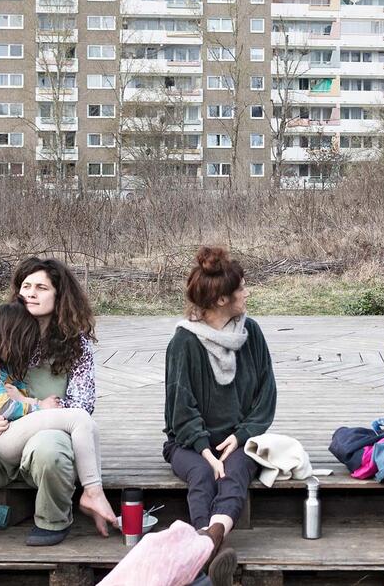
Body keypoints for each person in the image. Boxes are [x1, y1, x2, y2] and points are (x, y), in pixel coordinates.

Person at [0, 257, 114, 547]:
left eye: (41, 287)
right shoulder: (1, 334)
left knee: (51, 446)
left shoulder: (76, 345)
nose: (31, 293)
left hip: (41, 447)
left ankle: (53, 519)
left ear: (59, 295)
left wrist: (29, 403)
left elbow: (82, 407)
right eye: (26, 286)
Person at [163, 246, 276, 586]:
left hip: (239, 438)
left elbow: (265, 397)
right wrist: (204, 449)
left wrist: (241, 435)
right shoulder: (183, 343)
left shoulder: (251, 332)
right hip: (189, 443)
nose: (247, 292)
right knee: (201, 474)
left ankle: (207, 543)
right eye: (241, 288)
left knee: (235, 470)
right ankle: (209, 544)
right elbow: (180, 409)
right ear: (221, 300)